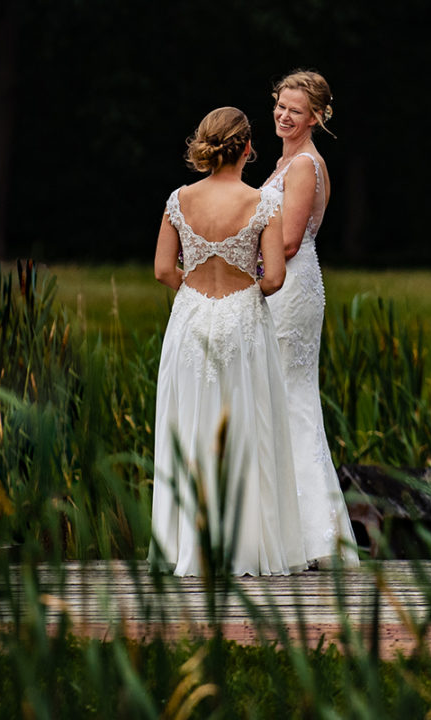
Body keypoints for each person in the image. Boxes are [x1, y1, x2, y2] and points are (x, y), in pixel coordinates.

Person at [150, 107, 307, 577]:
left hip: (191, 319)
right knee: (247, 428)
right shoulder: (261, 202)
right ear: (245, 147)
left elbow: (162, 270)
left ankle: (188, 547)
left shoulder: (179, 199)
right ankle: (246, 547)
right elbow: (275, 278)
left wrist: (196, 296)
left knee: (188, 424)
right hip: (243, 320)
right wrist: (241, 296)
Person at [262, 70, 359, 568]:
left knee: (289, 399)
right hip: (284, 282)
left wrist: (233, 263)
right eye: (280, 106)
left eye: (294, 110)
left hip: (290, 285)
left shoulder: (303, 165)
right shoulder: (287, 162)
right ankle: (294, 532)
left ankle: (310, 537)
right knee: (282, 400)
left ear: (316, 117)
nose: (283, 115)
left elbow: (289, 240)